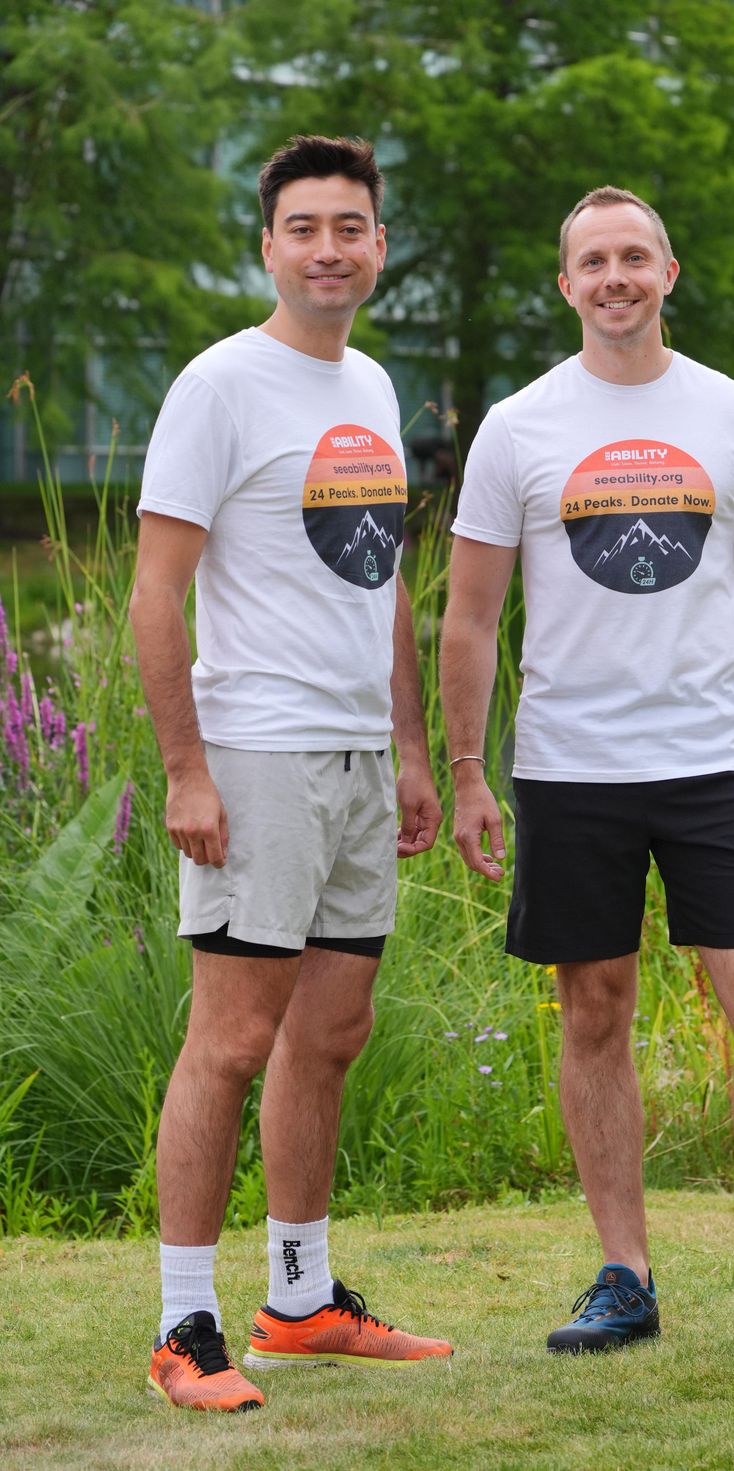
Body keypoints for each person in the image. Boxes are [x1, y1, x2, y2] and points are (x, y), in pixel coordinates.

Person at [440, 186, 734, 1362]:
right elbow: (470, 619)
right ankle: (622, 1274)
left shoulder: (733, 414)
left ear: (668, 272)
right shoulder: (518, 426)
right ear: (564, 283)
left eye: (634, 256)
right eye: (592, 260)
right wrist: (469, 770)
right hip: (569, 771)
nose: (614, 276)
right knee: (594, 1009)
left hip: (712, 761)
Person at [131, 135, 452, 1414]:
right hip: (253, 756)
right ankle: (180, 1325)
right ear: (267, 245)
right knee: (232, 1040)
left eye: (352, 227)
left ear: (378, 247)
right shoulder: (219, 385)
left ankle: (301, 1302)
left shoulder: (370, 385)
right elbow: (155, 591)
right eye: (304, 226)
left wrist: (414, 751)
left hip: (357, 760)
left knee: (331, 1032)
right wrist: (184, 770)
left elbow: (379, 583)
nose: (330, 247)